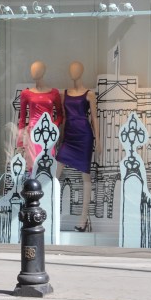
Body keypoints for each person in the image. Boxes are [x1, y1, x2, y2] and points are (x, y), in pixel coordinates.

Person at [55, 61, 99, 232]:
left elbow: (94, 119)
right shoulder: (64, 94)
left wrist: (98, 140)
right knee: (55, 174)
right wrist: (61, 138)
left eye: (76, 69)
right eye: (71, 69)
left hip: (84, 136)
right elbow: (64, 118)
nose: (73, 72)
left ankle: (83, 221)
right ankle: (48, 213)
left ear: (81, 72)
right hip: (70, 137)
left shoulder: (90, 95)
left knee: (85, 177)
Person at [16, 60, 64, 171]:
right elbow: (22, 119)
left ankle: (45, 187)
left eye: (36, 69)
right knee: (33, 166)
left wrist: (53, 126)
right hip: (32, 134)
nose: (33, 72)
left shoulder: (54, 93)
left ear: (43, 72)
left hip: (48, 134)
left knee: (47, 164)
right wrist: (20, 142)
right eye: (32, 69)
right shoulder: (26, 93)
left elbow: (60, 115)